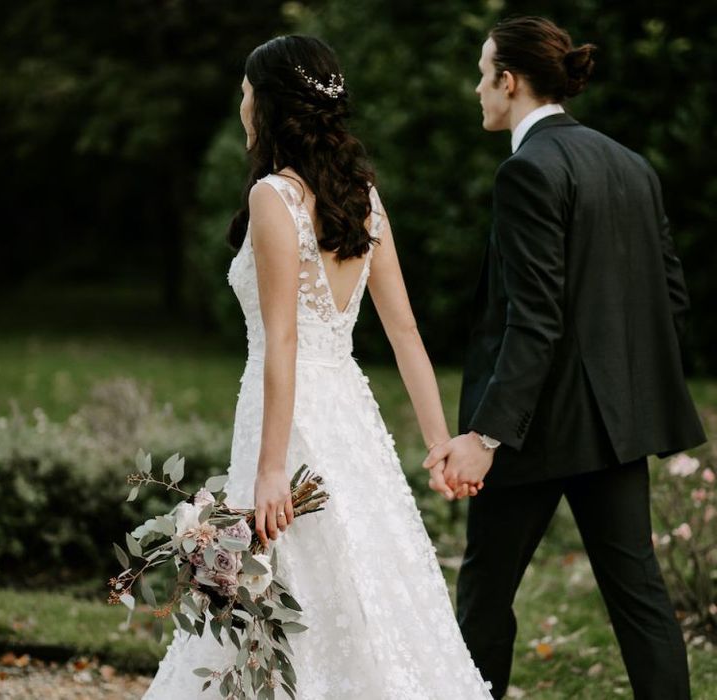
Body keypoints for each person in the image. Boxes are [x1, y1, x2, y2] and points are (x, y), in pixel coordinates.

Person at [143, 34, 492, 699]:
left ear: (269, 105)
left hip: (291, 418)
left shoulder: (274, 198)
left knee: (288, 575)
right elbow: (405, 333)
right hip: (351, 419)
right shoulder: (363, 195)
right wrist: (438, 439)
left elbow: (283, 343)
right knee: (346, 573)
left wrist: (272, 468)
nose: (241, 104)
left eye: (246, 92)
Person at [423, 16, 706, 700]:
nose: (476, 89)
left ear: (509, 81)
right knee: (640, 598)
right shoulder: (630, 164)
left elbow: (535, 320)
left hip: (534, 430)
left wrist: (487, 435)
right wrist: (624, 392)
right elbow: (669, 298)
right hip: (613, 427)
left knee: (486, 595)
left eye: (482, 74)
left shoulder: (527, 171)